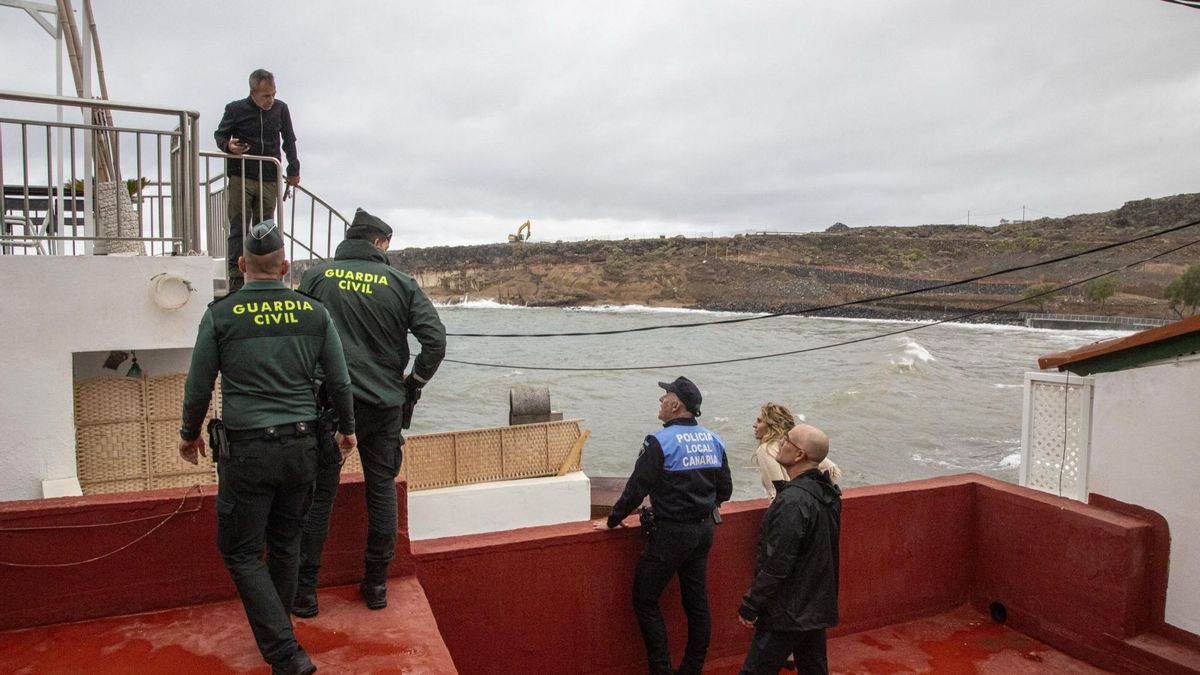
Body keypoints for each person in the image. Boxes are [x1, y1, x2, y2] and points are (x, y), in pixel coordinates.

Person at [178, 220, 356, 675]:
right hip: (302, 447)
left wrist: (189, 433)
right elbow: (339, 381)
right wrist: (348, 430)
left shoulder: (220, 315)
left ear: (241, 266)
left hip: (248, 452)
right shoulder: (315, 313)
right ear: (285, 266)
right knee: (285, 542)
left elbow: (199, 385)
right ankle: (280, 629)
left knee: (239, 551)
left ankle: (284, 652)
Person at [294, 208, 447, 615]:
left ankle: (305, 590)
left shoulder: (317, 277)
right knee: (381, 489)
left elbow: (296, 337)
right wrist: (413, 383)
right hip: (384, 404)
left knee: (320, 492)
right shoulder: (399, 283)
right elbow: (435, 340)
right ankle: (377, 584)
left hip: (326, 403)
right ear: (379, 243)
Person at [593, 376, 733, 675]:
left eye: (665, 396)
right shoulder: (714, 439)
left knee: (645, 600)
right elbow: (725, 491)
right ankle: (691, 668)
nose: (660, 401)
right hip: (704, 530)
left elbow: (636, 489)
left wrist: (613, 520)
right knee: (696, 603)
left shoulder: (659, 441)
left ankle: (661, 670)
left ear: (676, 404)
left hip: (671, 534)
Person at [736, 423, 842, 675]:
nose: (780, 444)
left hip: (787, 613)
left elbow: (777, 562)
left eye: (787, 441)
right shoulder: (828, 494)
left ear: (799, 455)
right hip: (815, 606)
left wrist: (751, 605)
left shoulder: (793, 501)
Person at [215, 69, 300, 292]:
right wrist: (229, 147)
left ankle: (268, 276)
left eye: (273, 94)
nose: (270, 100)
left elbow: (289, 140)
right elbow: (220, 135)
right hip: (241, 175)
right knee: (239, 228)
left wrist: (293, 169)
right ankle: (236, 278)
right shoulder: (235, 109)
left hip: (269, 177)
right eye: (265, 95)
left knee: (266, 229)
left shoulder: (281, 109)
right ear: (253, 92)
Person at [752, 402, 841, 499]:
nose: (754, 425)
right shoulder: (796, 444)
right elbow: (831, 469)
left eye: (759, 421)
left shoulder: (765, 450)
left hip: (794, 503)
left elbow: (776, 489)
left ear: (772, 425)